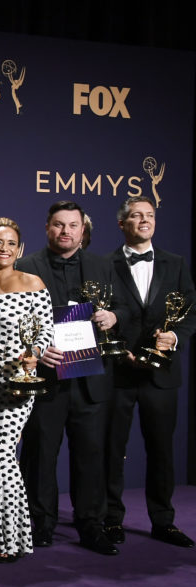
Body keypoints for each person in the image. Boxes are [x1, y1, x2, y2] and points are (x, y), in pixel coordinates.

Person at [17, 200, 125, 555]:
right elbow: (16, 320)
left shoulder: (103, 265)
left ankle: (91, 524)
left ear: (83, 230)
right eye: (59, 225)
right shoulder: (27, 266)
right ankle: (40, 523)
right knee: (41, 455)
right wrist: (35, 349)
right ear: (48, 227)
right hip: (47, 378)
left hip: (91, 380)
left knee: (90, 456)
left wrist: (113, 317)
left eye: (73, 225)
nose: (66, 231)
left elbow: (124, 306)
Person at [104, 197, 196, 548]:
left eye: (150, 215)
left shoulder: (176, 263)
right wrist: (117, 349)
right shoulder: (104, 265)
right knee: (113, 448)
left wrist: (174, 337)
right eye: (136, 216)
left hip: (162, 374)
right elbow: (98, 311)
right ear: (122, 223)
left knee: (161, 450)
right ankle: (111, 518)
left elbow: (190, 312)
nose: (144, 220)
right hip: (119, 372)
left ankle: (163, 520)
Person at [0, 218, 52, 561]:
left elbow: (45, 330)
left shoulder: (32, 282)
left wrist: (33, 356)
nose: (3, 249)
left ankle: (9, 539)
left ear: (19, 248)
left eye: (10, 243)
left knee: (3, 454)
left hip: (17, 380)